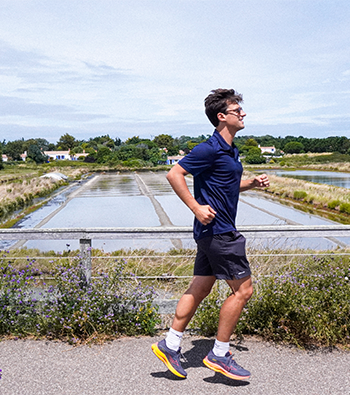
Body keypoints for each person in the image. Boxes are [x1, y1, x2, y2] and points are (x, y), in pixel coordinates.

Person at [151, 88, 269, 380]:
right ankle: (218, 354)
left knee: (200, 288)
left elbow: (224, 185)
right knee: (243, 290)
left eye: (241, 110)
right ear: (221, 117)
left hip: (211, 232)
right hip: (218, 231)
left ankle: (171, 344)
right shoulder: (209, 148)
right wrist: (195, 207)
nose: (243, 114)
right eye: (237, 110)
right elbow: (174, 174)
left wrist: (250, 183)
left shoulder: (230, 150)